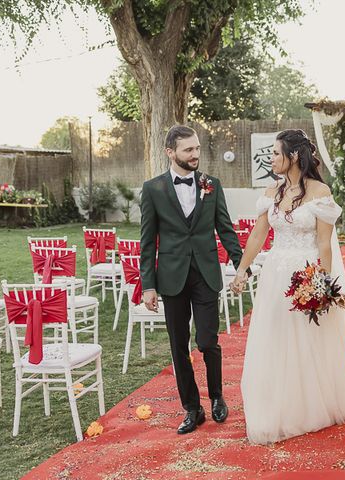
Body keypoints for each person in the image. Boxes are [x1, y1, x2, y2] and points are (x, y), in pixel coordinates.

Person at [231, 129, 345, 445]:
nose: (272, 159)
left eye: (276, 153)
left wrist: (322, 284)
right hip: (275, 274)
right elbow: (258, 235)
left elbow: (324, 243)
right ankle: (279, 405)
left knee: (307, 339)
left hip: (306, 273)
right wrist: (242, 269)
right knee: (276, 338)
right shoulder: (271, 192)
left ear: (293, 156)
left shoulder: (320, 193)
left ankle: (313, 406)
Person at [139, 125, 250, 434]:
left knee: (207, 341)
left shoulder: (211, 185)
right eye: (188, 150)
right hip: (171, 277)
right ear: (170, 152)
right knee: (178, 346)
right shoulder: (153, 189)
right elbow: (147, 242)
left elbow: (225, 228)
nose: (195, 155)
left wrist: (241, 265)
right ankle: (192, 408)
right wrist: (148, 284)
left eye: (197, 148)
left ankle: (216, 396)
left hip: (205, 273)